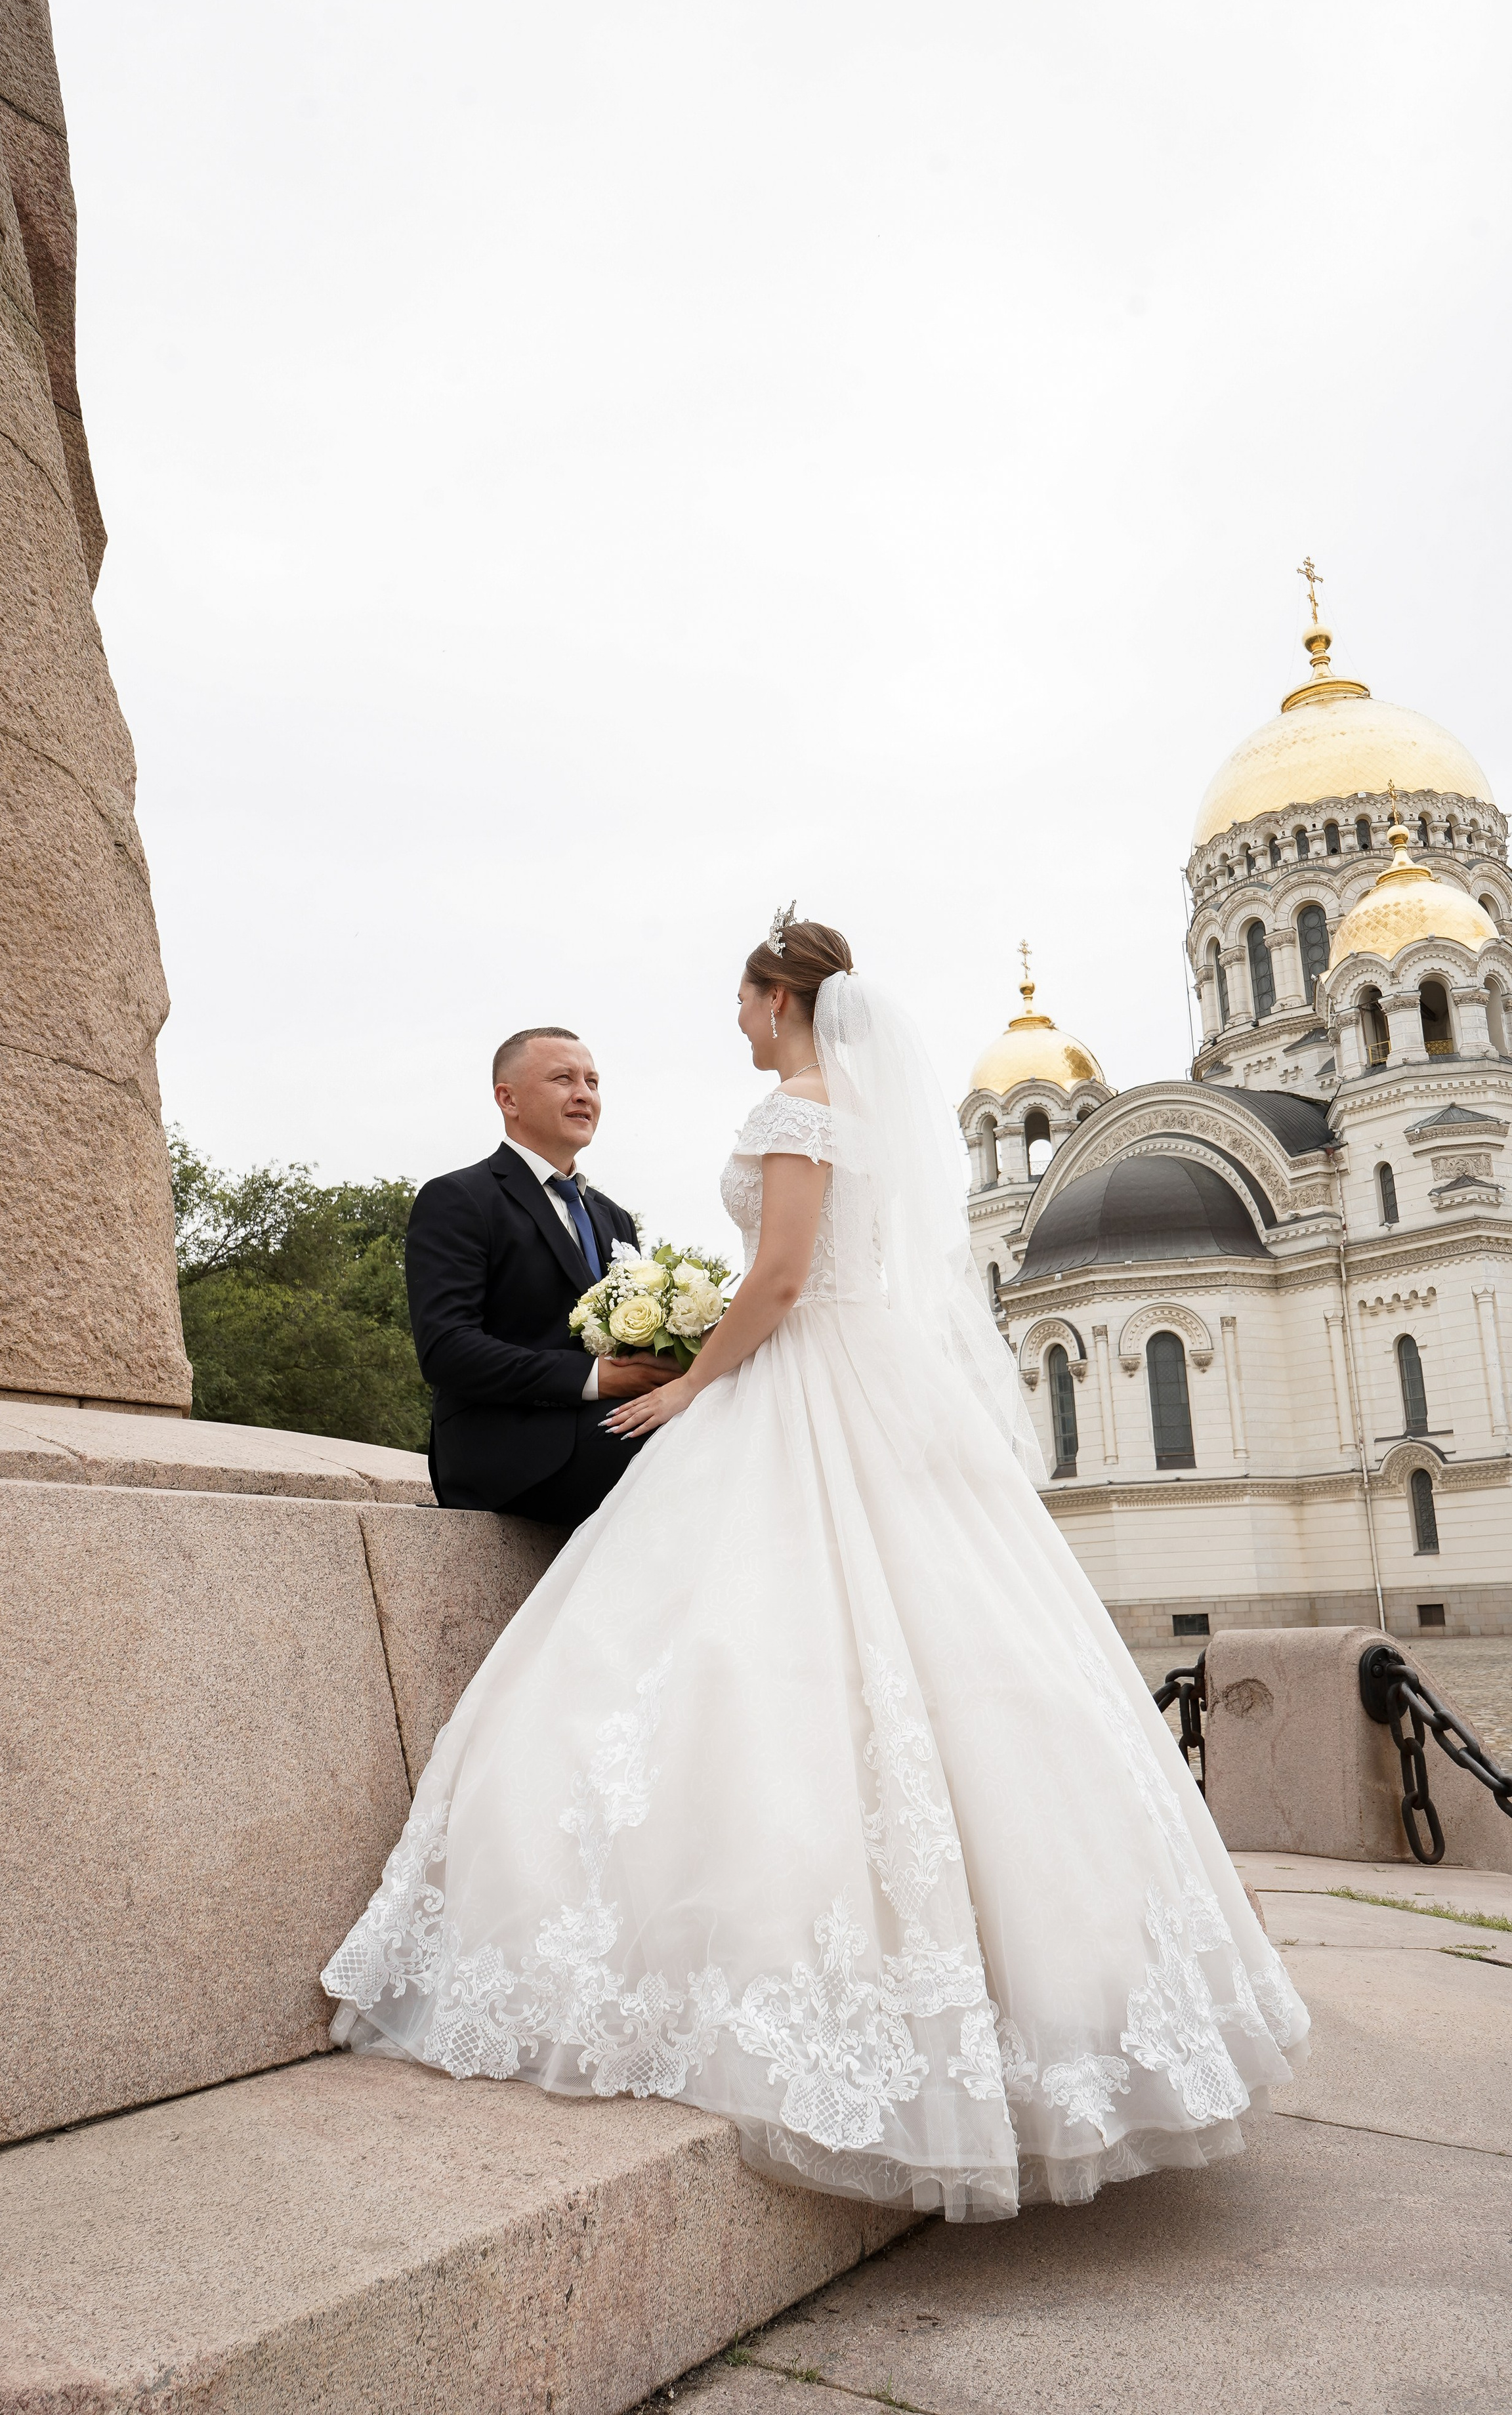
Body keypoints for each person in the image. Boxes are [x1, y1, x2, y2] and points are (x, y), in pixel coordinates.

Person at [326, 920, 1309, 2221]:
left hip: (799, 1376)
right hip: (859, 1382)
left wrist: (689, 1383)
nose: (735, 1019)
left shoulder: (795, 1106)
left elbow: (780, 1277)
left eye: (742, 998)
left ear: (780, 999)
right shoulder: (839, 1107)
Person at [405, 1027, 679, 1521]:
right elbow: (447, 1350)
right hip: (504, 1447)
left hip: (607, 1426)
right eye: (563, 1079)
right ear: (507, 1099)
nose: (584, 1094)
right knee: (679, 1446)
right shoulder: (458, 1199)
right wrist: (598, 1380)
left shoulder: (614, 1218)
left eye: (593, 1082)